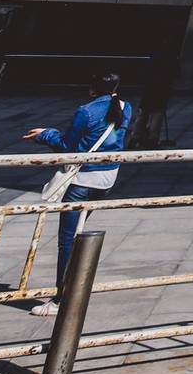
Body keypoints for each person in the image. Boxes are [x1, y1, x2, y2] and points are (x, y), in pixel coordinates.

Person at [23, 74, 134, 315]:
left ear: (92, 88)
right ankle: (70, 291)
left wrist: (45, 134)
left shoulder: (86, 111)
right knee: (77, 233)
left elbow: (67, 146)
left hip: (83, 179)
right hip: (108, 178)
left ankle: (62, 299)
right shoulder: (126, 108)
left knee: (68, 240)